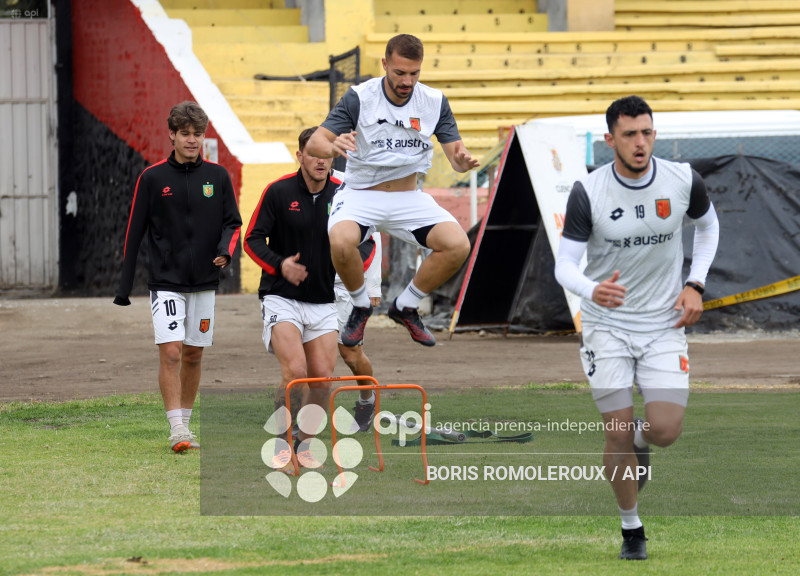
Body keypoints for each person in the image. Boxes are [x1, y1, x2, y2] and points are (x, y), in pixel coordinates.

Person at [554, 95, 719, 560]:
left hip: (664, 325)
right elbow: (564, 266)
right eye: (629, 134)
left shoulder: (683, 179)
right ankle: (633, 530)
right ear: (611, 140)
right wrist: (591, 290)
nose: (640, 142)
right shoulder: (589, 191)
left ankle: (642, 444)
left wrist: (695, 284)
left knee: (664, 429)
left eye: (646, 132)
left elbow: (708, 228)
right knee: (617, 431)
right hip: (606, 326)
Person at [305, 33, 479, 348]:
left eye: (414, 73)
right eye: (400, 72)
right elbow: (317, 142)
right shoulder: (360, 97)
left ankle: (406, 306)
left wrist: (462, 162)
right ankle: (361, 306)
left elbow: (456, 154)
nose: (407, 81)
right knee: (341, 241)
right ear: (385, 64)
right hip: (360, 192)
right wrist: (333, 145)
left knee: (458, 245)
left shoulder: (434, 101)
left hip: (407, 198)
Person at [243, 127, 375, 471]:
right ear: (300, 156)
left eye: (327, 154)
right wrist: (279, 265)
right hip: (280, 297)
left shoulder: (347, 192)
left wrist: (352, 266)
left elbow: (367, 242)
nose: (321, 161)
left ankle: (305, 442)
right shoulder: (278, 191)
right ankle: (280, 447)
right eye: (314, 154)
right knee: (296, 373)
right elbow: (252, 239)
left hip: (323, 300)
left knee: (321, 379)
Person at [113, 101, 242, 453]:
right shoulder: (152, 178)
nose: (191, 140)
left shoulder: (217, 177)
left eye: (197, 134)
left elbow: (233, 223)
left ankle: (186, 422)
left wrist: (226, 251)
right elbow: (134, 233)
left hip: (204, 282)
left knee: (194, 355)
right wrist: (125, 288)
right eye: (184, 134)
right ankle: (178, 430)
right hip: (166, 281)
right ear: (171, 134)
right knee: (171, 352)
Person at [336, 232, 382, 432]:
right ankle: (302, 412)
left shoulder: (354, 200)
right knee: (308, 351)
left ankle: (367, 399)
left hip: (349, 286)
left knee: (350, 354)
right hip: (311, 285)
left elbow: (374, 236)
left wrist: (373, 285)